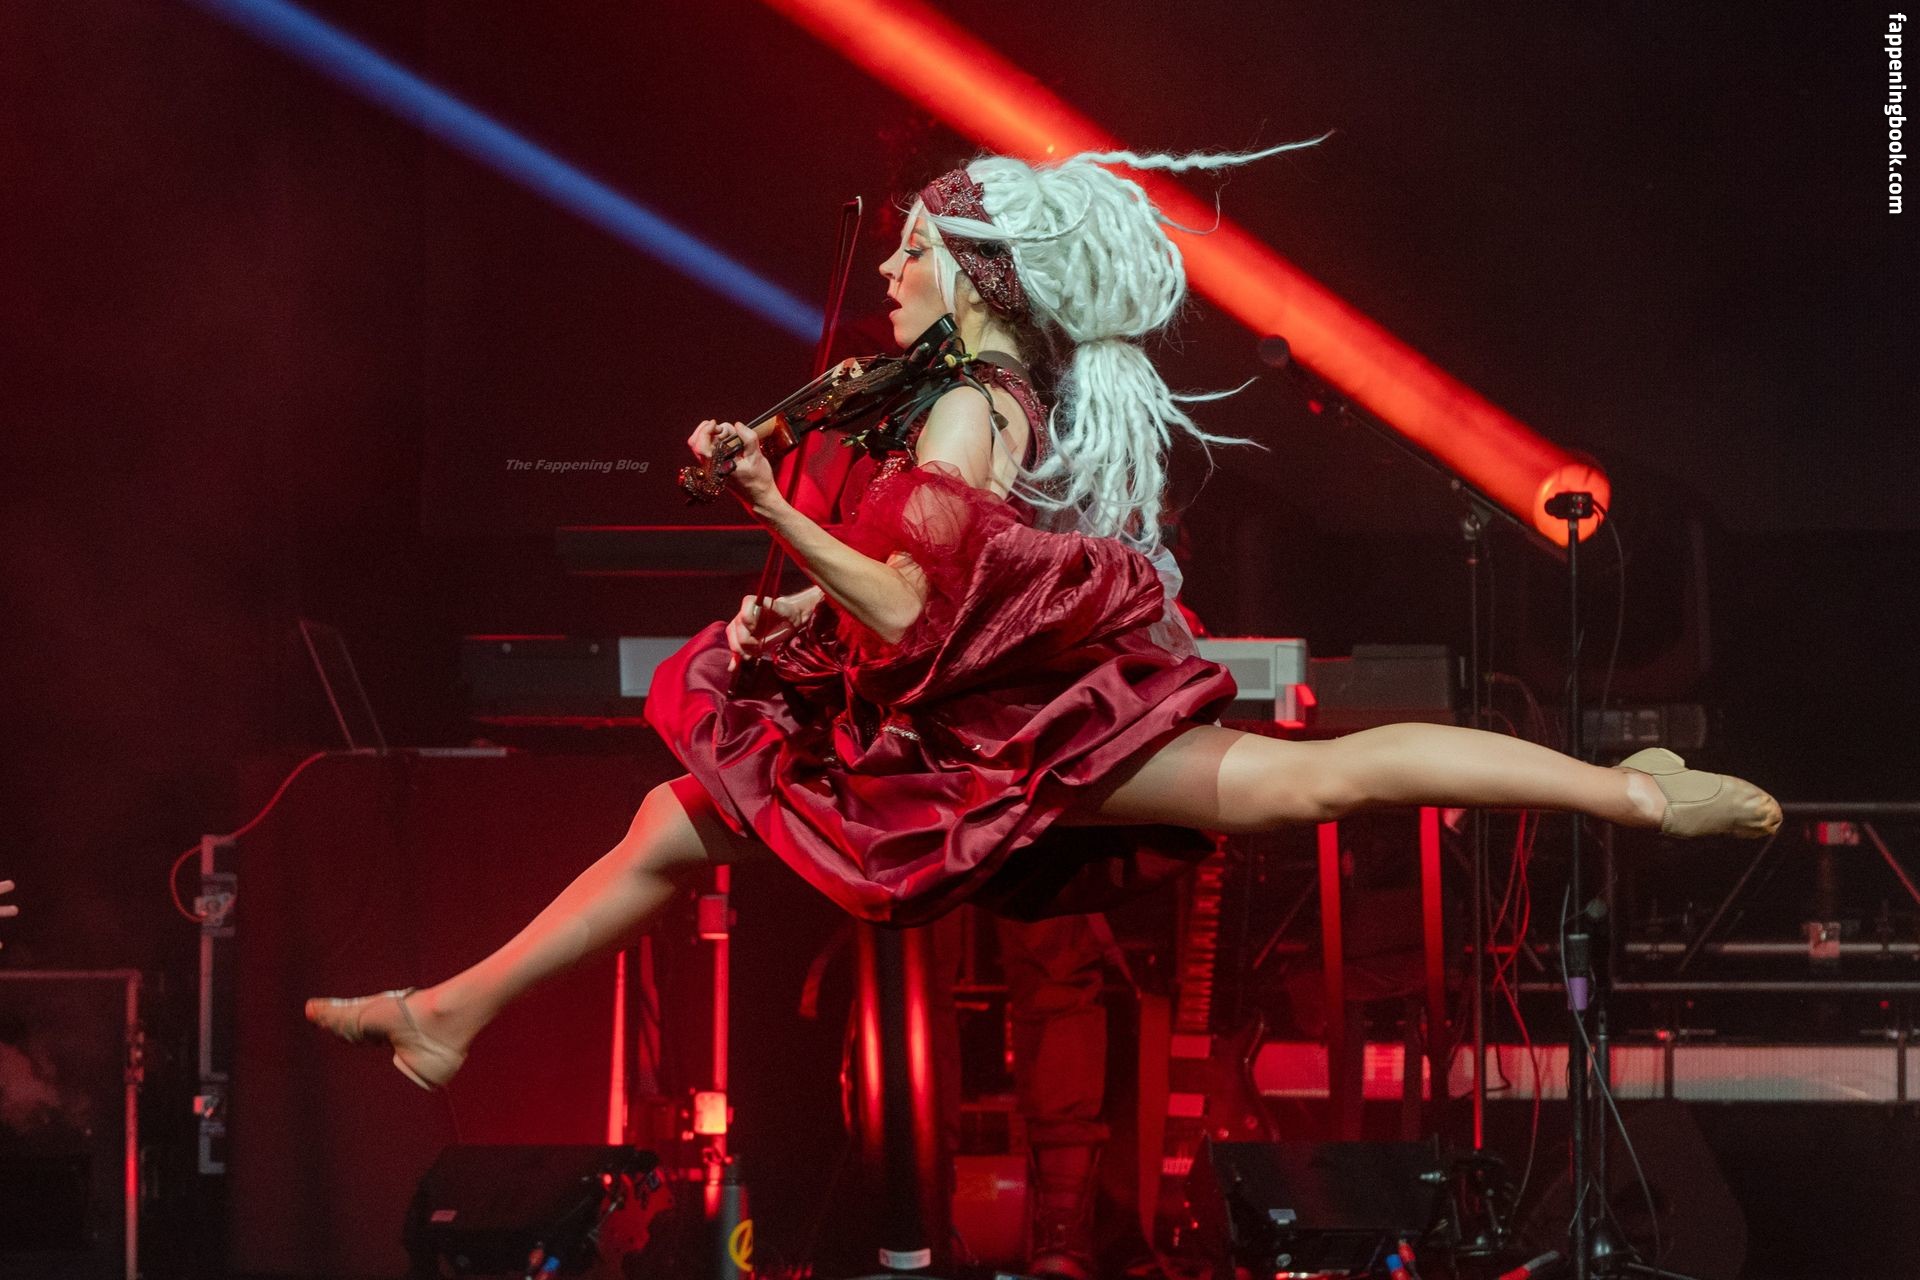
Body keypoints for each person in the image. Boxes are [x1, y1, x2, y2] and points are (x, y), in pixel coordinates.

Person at [307, 145, 1779, 1116]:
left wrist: (768, 506)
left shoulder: (966, 406)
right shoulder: (956, 401)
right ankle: (449, 1014)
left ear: (974, 273)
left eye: (911, 254)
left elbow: (911, 604)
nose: (890, 276)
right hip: (977, 727)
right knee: (669, 823)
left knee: (1317, 781)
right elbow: (911, 582)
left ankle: (1632, 796)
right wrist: (797, 598)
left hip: (999, 737)